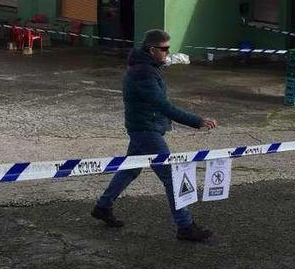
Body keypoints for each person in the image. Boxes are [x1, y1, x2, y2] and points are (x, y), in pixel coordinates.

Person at [92, 29, 218, 242]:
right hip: (146, 130)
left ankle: (103, 206)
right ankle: (185, 226)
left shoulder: (147, 68)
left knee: (130, 170)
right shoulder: (144, 73)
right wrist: (197, 121)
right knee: (172, 177)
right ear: (152, 50)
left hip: (143, 128)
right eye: (165, 49)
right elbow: (163, 105)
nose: (168, 53)